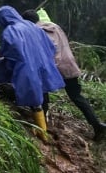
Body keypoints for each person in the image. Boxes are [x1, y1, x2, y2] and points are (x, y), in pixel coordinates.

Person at [21, 9, 106, 141]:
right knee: (76, 96)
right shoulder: (55, 27)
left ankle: (42, 126)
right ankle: (97, 125)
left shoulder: (34, 32)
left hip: (53, 67)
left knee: (41, 90)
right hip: (69, 65)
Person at [0, 5, 65, 139]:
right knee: (36, 100)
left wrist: (0, 53)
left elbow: (13, 49)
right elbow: (50, 47)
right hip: (42, 65)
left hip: (24, 66)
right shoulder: (34, 27)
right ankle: (43, 131)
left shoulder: (11, 29)